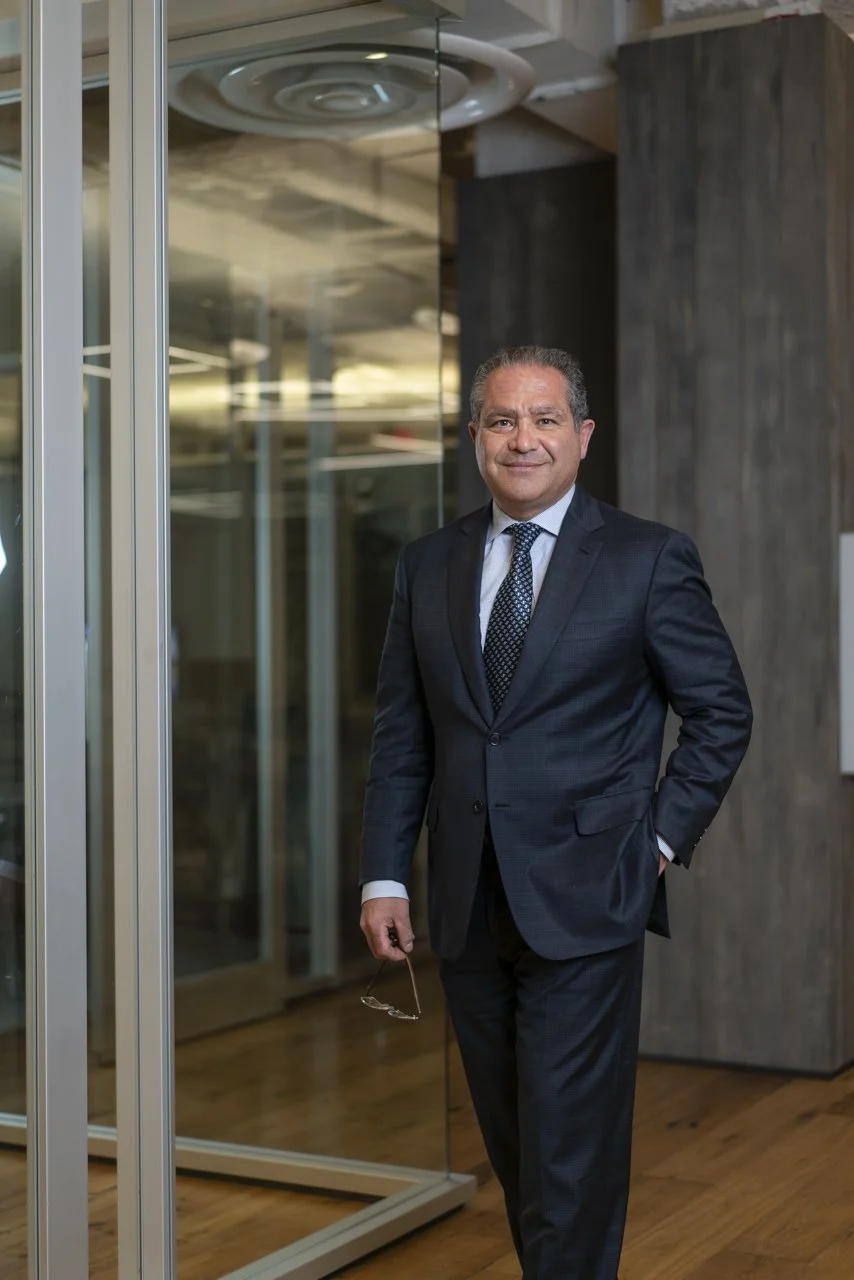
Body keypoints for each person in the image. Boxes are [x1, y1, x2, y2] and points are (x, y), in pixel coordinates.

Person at [359, 345, 752, 1279]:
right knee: (518, 1147)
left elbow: (722, 713)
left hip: (588, 897)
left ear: (581, 435)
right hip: (464, 907)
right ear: (475, 438)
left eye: (543, 420)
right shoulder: (428, 565)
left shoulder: (648, 558)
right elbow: (402, 736)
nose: (522, 439)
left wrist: (654, 844)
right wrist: (384, 872)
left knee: (569, 1158)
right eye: (502, 420)